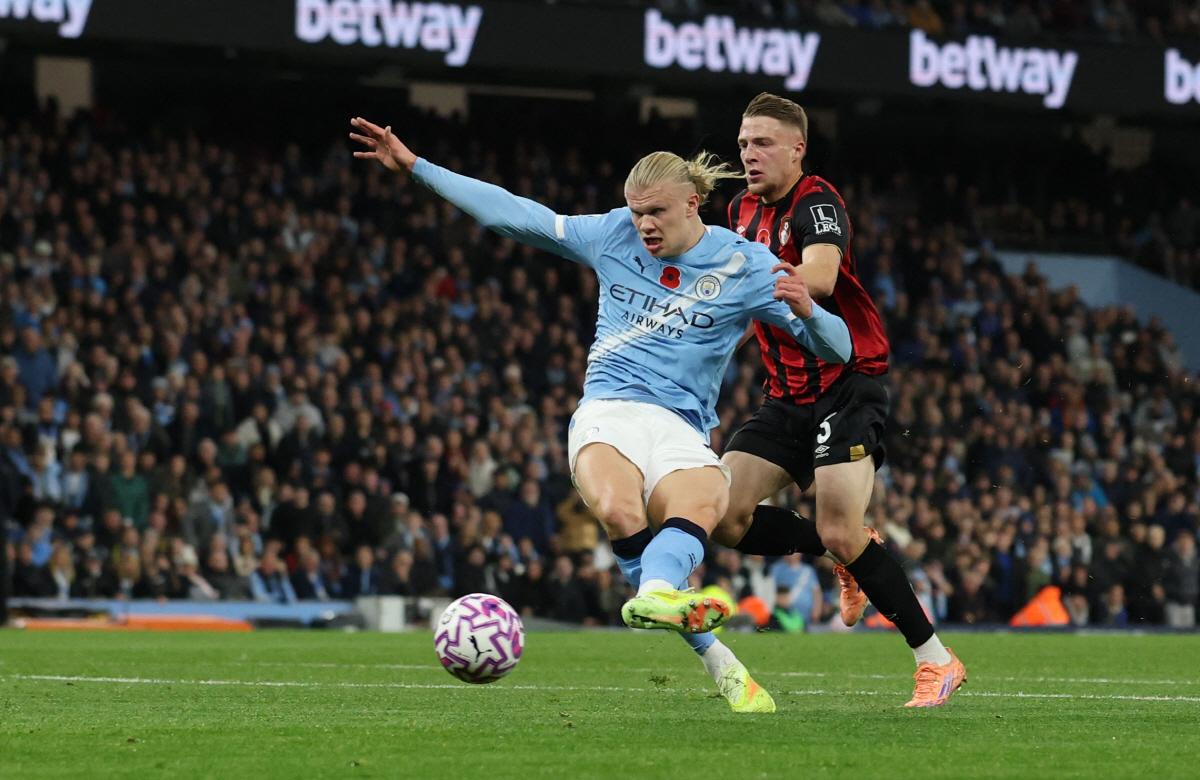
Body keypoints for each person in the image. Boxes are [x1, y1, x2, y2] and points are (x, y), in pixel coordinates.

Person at [351, 116, 852, 713]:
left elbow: (839, 348)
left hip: (682, 426)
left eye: (657, 212)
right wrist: (415, 166)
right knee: (619, 509)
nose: (644, 224)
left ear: (693, 204)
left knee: (699, 505)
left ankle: (705, 645)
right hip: (609, 410)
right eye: (636, 211)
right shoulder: (612, 234)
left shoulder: (745, 265)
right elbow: (512, 213)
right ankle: (676, 607)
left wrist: (810, 312)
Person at [714, 93, 965, 707]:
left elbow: (818, 281)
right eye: (745, 142)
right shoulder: (739, 208)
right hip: (785, 393)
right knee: (721, 513)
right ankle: (843, 547)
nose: (750, 154)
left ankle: (937, 661)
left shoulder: (818, 203)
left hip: (848, 380)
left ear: (797, 148)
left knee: (839, 526)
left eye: (764, 142)